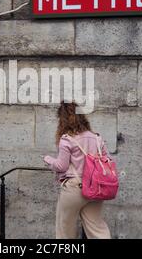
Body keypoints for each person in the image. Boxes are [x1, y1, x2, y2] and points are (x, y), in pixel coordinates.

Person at [43, 101, 111, 239]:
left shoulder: (67, 139)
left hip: (75, 188)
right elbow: (107, 161)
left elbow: (61, 166)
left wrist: (48, 160)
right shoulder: (97, 138)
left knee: (64, 229)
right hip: (96, 187)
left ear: (62, 119)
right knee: (97, 228)